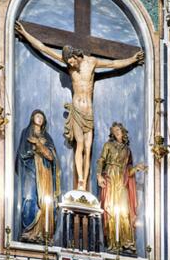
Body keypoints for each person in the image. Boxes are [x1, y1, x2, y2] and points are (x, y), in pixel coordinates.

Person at [15, 21, 143, 191]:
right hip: (76, 110)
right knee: (80, 144)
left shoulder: (91, 62)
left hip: (89, 111)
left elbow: (113, 64)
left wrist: (132, 59)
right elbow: (43, 48)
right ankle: (81, 180)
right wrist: (25, 34)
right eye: (68, 63)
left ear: (76, 56)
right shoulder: (70, 66)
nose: (71, 65)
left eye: (72, 62)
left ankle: (85, 179)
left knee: (88, 148)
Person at [96, 122, 146, 251]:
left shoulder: (127, 150)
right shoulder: (108, 145)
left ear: (123, 132)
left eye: (118, 130)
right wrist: (99, 176)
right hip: (110, 178)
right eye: (114, 131)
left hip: (122, 181)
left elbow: (128, 171)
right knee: (111, 209)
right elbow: (101, 160)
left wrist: (137, 168)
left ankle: (126, 242)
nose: (117, 132)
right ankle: (113, 241)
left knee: (124, 210)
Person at [16, 110, 60, 242]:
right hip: (30, 169)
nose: (40, 118)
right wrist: (34, 149)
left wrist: (39, 145)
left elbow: (52, 157)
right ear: (32, 118)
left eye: (42, 117)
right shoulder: (26, 133)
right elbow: (22, 152)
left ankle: (43, 233)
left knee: (46, 201)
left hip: (45, 172)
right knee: (29, 197)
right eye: (37, 116)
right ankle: (29, 231)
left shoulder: (48, 137)